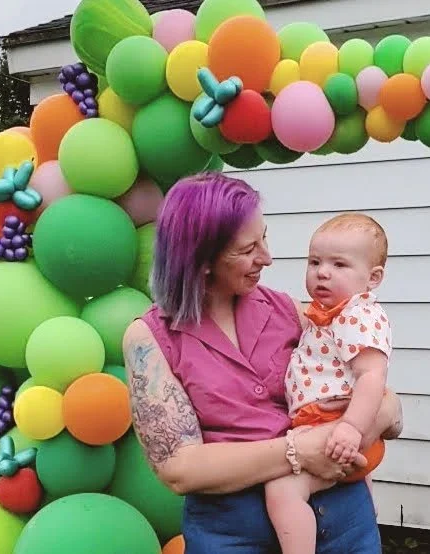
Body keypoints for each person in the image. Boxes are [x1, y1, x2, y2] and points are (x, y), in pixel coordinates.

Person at [122, 173, 403, 553]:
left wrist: (379, 413)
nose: (267, 258)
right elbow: (179, 469)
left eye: (264, 238)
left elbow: (379, 396)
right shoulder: (150, 339)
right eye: (248, 249)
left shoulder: (290, 311)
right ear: (201, 259)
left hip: (348, 529)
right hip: (234, 539)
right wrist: (299, 449)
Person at [265, 213, 392, 554]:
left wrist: (351, 427)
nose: (322, 272)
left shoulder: (357, 316)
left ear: (373, 278)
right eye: (314, 262)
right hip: (326, 427)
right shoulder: (330, 314)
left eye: (339, 264)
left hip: (337, 431)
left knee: (282, 490)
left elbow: (372, 376)